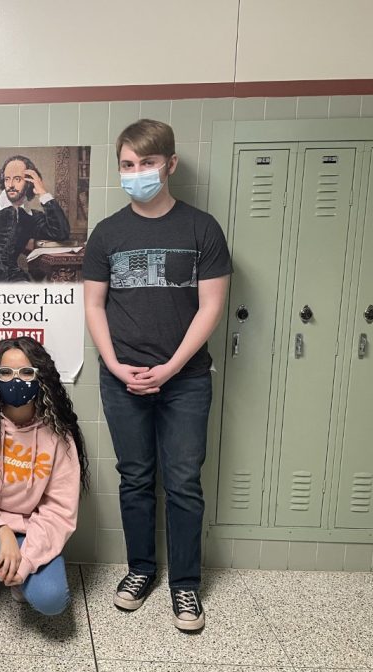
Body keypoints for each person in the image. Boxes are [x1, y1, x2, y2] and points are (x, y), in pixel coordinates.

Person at [83, 119, 232, 631]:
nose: (137, 173)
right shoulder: (106, 233)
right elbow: (95, 307)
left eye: (146, 163)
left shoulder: (201, 229)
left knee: (185, 482)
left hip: (186, 379)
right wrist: (114, 363)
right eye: (127, 165)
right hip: (122, 378)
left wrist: (169, 369)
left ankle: (185, 586)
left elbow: (211, 307)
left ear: (169, 164)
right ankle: (141, 570)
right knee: (137, 478)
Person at [0, 336, 88, 622]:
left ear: (40, 377)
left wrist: (27, 561)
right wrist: (2, 529)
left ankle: (16, 570)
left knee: (52, 601)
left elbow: (59, 511)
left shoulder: (58, 433)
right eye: (6, 373)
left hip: (31, 526)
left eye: (26, 372)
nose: (16, 381)